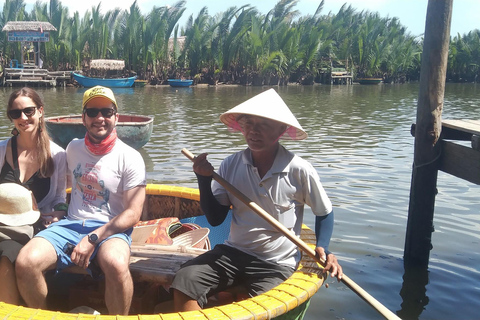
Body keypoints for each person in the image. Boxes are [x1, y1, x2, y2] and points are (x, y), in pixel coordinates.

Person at [172, 89, 343, 311]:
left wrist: (323, 247)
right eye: (248, 123)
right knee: (185, 280)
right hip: (233, 253)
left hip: (276, 263)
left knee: (263, 306)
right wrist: (203, 180)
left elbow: (324, 212)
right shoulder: (230, 165)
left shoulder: (299, 170)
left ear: (282, 129)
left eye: (263, 124)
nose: (253, 130)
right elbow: (215, 219)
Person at [16, 86, 146, 315]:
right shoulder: (73, 148)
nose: (100, 118)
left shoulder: (131, 157)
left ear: (116, 117)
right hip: (70, 225)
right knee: (26, 262)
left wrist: (93, 238)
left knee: (116, 264)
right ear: (83, 118)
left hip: (110, 230)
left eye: (106, 112)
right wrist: (60, 208)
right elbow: (64, 187)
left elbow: (133, 213)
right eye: (93, 112)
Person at [0, 87, 67, 305]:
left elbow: (60, 199)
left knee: (5, 258)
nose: (23, 118)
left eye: (28, 111)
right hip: (3, 223)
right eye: (15, 113)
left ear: (40, 111)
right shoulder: (2, 150)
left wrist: (57, 214)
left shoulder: (57, 155)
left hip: (35, 225)